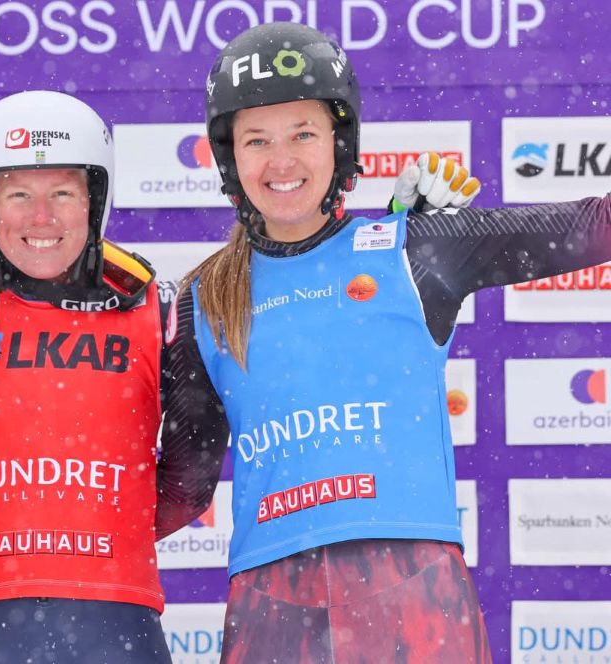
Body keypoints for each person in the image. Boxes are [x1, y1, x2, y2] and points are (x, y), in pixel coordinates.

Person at [167, 22, 611, 662]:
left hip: (413, 593)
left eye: (303, 134)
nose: (282, 160)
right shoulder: (201, 299)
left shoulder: (415, 249)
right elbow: (183, 486)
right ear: (229, 156)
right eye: (257, 139)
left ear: (340, 144)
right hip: (273, 604)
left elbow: (589, 225)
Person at [0, 90, 227, 664]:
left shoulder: (157, 310)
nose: (42, 218)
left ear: (95, 201)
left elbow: (194, 475)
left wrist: (106, 533)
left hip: (120, 627)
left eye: (63, 192)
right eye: (19, 195)